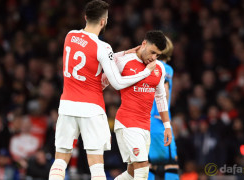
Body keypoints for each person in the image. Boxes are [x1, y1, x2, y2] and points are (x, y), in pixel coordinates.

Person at [48, 1, 156, 180]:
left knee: (60, 159)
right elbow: (118, 83)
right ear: (104, 22)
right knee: (96, 165)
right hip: (91, 108)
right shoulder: (103, 48)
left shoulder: (70, 35)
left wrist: (123, 54)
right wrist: (145, 72)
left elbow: (91, 61)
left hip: (67, 105)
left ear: (85, 17)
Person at [102, 30, 172, 180]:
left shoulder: (158, 68)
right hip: (127, 122)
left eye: (158, 55)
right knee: (142, 168)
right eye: (152, 52)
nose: (153, 57)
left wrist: (167, 125)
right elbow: (103, 79)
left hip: (145, 125)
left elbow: (160, 97)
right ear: (144, 44)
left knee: (132, 172)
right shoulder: (125, 61)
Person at [148, 37, 180, 180]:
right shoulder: (166, 69)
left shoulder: (149, 66)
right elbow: (164, 90)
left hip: (147, 122)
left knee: (149, 164)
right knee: (171, 164)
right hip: (160, 123)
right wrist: (163, 113)